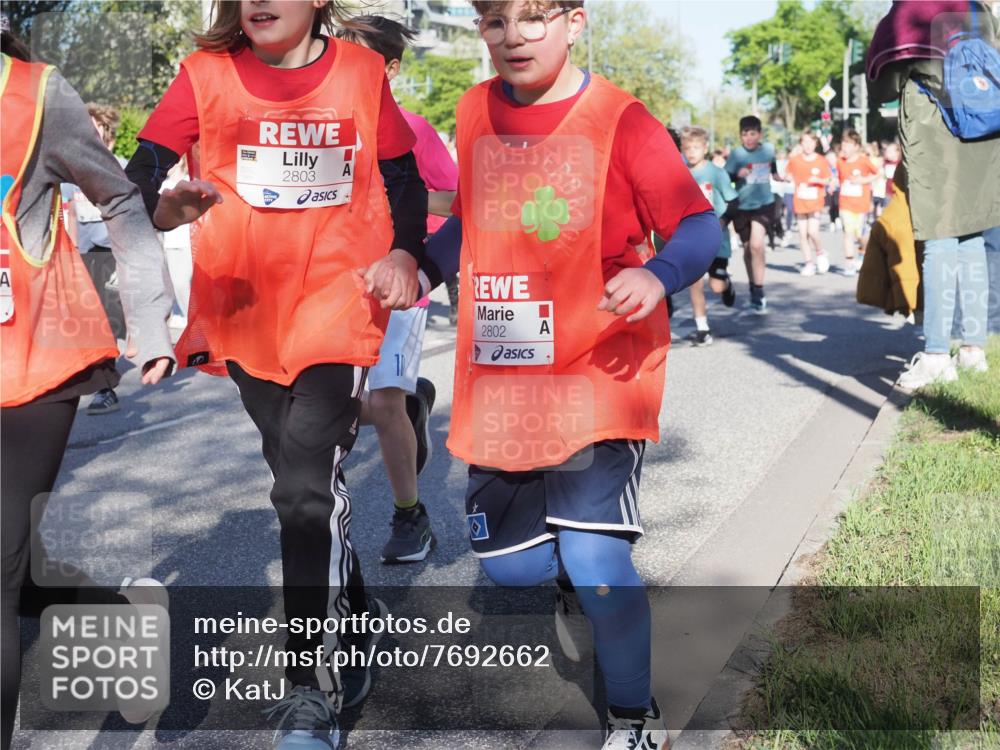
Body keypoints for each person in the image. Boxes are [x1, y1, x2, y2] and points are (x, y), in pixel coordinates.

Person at [364, 1, 719, 747]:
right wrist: (421, 268)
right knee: (513, 567)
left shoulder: (621, 118)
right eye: (497, 21)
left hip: (600, 369)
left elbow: (698, 223)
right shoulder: (473, 109)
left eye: (534, 17)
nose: (515, 37)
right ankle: (573, 584)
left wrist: (657, 275)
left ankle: (633, 717)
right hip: (504, 377)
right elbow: (471, 218)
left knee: (595, 554)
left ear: (574, 22)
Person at [124, 2, 428, 746]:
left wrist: (405, 252)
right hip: (247, 311)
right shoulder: (205, 75)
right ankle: (355, 615)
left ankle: (308, 691)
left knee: (300, 491)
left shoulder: (360, 72)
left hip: (338, 302)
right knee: (303, 484)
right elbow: (135, 182)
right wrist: (163, 213)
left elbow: (404, 178)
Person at [1, 27, 173, 750]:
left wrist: (151, 321)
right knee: (13, 563)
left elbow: (122, 200)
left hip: (35, 360)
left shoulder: (37, 95)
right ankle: (124, 623)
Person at [335, 15, 460, 564]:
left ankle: (410, 516)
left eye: (355, 57)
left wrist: (397, 197)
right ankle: (414, 407)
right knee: (328, 406)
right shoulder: (322, 127)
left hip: (400, 286)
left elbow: (458, 203)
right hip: (333, 287)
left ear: (388, 69)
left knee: (383, 400)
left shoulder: (414, 130)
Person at [868, 0, 997, 388]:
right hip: (984, 127)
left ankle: (937, 355)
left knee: (939, 238)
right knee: (971, 237)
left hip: (935, 129)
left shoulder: (911, 7)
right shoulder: (978, 7)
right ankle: (973, 350)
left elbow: (883, 85)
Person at [60, 103, 129, 415]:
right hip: (83, 253)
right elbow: (72, 213)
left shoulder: (120, 166)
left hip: (111, 252)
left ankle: (105, 388)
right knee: (86, 321)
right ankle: (95, 377)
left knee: (105, 319)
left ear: (107, 135)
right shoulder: (69, 171)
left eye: (94, 128)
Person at [680, 126, 738, 345]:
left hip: (716, 238)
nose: (691, 152)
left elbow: (733, 202)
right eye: (687, 148)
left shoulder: (716, 173)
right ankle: (702, 328)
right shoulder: (679, 173)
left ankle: (726, 285)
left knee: (715, 286)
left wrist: (721, 223)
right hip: (691, 237)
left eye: (696, 147)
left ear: (705, 148)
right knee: (694, 282)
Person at [725, 115, 776, 314]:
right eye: (745, 135)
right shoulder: (737, 154)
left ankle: (759, 291)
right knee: (748, 250)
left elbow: (772, 164)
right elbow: (726, 176)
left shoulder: (768, 149)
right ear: (740, 136)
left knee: (756, 245)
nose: (749, 138)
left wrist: (777, 175)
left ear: (760, 134)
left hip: (764, 204)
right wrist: (736, 175)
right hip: (742, 206)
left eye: (753, 134)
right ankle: (754, 288)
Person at [785, 129, 833, 275]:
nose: (808, 145)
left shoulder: (821, 160)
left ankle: (820, 252)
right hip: (800, 200)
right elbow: (787, 174)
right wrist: (788, 178)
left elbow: (828, 179)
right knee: (802, 234)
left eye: (811, 142)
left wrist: (818, 180)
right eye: (805, 142)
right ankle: (809, 263)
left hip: (815, 201)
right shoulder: (795, 160)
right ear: (801, 144)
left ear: (815, 143)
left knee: (812, 231)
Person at [836, 129, 878, 277]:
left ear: (856, 146)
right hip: (845, 204)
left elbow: (877, 173)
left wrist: (862, 180)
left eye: (848, 144)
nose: (844, 146)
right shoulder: (840, 162)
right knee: (848, 233)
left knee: (861, 236)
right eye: (843, 143)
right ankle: (849, 263)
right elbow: (838, 179)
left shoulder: (863, 160)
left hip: (861, 205)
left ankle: (862, 251)